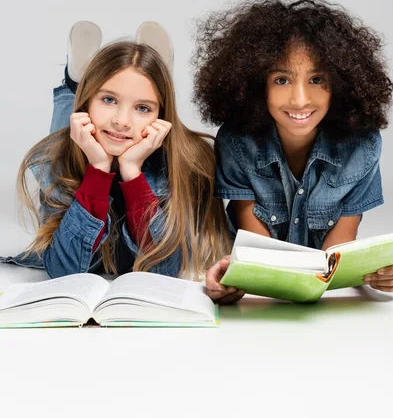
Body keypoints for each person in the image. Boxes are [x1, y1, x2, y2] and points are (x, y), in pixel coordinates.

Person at [192, 0, 393, 302]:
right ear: (255, 85)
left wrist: (380, 274)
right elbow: (259, 255)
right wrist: (235, 279)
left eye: (317, 79)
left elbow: (335, 257)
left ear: (340, 84)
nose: (300, 99)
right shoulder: (237, 143)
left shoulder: (362, 147)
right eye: (281, 79)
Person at [3, 21, 230, 279]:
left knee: (107, 120)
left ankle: (146, 77)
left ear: (161, 117)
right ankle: (75, 82)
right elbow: (64, 271)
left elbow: (164, 271)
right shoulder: (53, 160)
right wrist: (98, 169)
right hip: (75, 135)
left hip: (147, 149)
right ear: (90, 100)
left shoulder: (187, 161)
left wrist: (132, 173)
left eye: (143, 107)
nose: (122, 120)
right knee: (67, 130)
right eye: (108, 99)